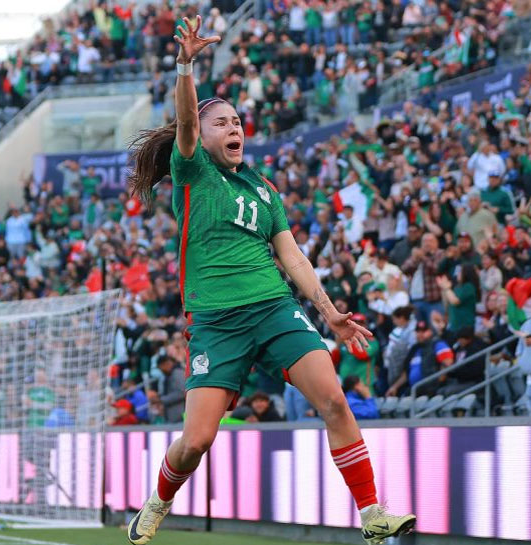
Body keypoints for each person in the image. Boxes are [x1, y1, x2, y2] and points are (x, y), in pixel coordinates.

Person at [123, 18, 414, 545]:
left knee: (335, 400)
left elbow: (293, 257)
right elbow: (185, 121)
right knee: (196, 441)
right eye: (221, 123)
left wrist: (329, 313)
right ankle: (159, 500)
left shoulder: (264, 190)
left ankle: (373, 513)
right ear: (201, 135)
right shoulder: (193, 171)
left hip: (275, 309)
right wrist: (186, 65)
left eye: (237, 121)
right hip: (216, 323)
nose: (233, 128)